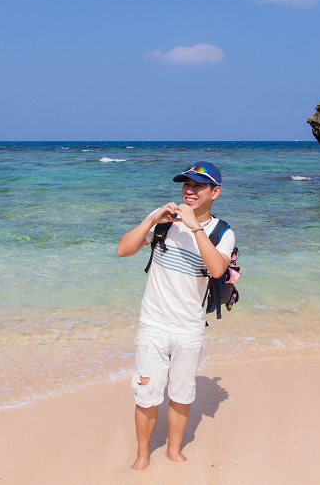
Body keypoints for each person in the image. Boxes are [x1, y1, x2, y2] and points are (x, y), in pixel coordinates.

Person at [116, 162, 235, 470]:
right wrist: (151, 218)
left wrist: (195, 226)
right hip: (153, 324)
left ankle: (173, 449)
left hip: (189, 328)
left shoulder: (222, 232)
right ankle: (143, 455)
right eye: (186, 184)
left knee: (181, 394)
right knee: (146, 394)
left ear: (215, 192)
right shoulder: (164, 225)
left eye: (198, 186)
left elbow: (218, 269)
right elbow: (123, 250)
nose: (189, 190)